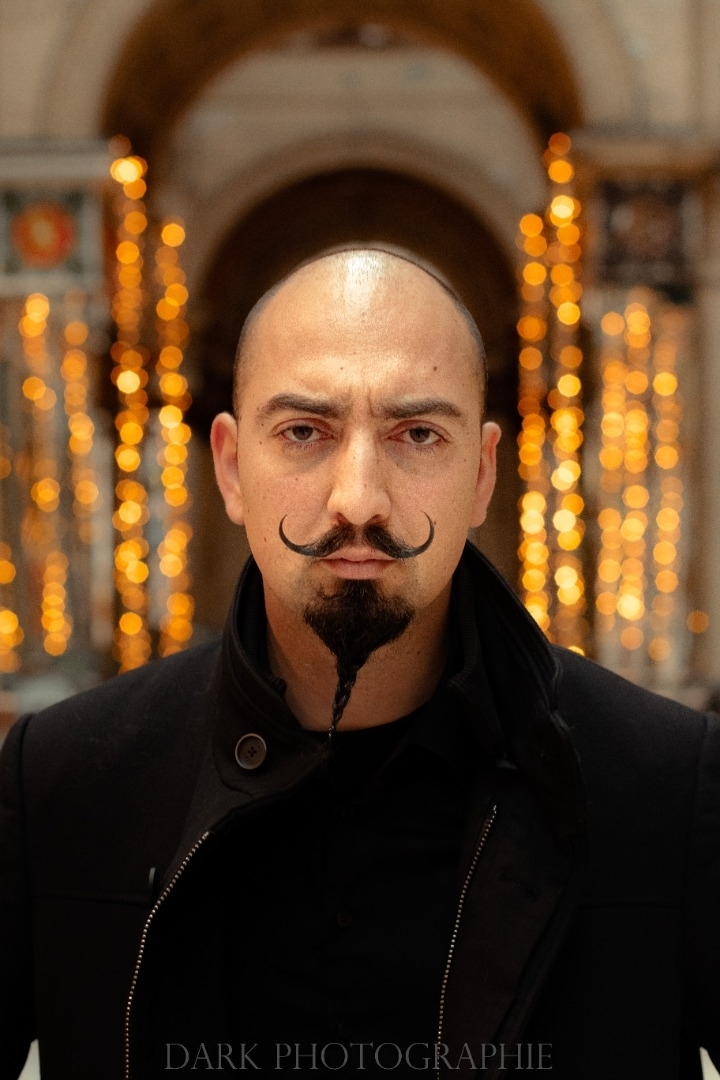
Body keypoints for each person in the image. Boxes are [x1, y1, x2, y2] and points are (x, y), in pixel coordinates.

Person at [1, 248, 718, 1080]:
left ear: (481, 474)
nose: (359, 500)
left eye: (418, 435)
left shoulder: (664, 785)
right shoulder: (63, 783)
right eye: (304, 432)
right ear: (231, 467)